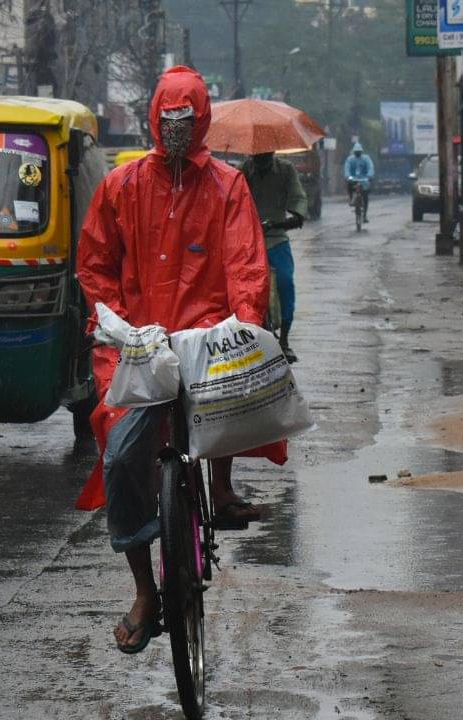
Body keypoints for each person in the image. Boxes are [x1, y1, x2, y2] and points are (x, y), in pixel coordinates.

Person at [76, 66, 284, 655]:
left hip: (207, 347)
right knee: (121, 457)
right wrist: (114, 321)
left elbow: (246, 262)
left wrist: (242, 323)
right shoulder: (121, 187)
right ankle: (144, 589)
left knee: (234, 411)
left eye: (185, 121)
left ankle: (221, 489)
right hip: (139, 352)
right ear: (153, 121)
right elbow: (94, 264)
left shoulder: (227, 187)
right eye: (167, 121)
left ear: (200, 123)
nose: (175, 131)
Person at [241, 152, 306, 363]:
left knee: (286, 283)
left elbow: (298, 200)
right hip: (247, 241)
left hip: (276, 238)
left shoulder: (286, 170)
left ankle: (284, 340)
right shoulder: (242, 172)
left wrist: (294, 217)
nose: (261, 159)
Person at [343, 142, 374, 223]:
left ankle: (365, 215)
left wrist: (369, 175)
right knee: (349, 185)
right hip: (353, 179)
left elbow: (370, 167)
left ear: (361, 152)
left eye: (359, 152)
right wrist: (348, 176)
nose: (357, 153)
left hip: (364, 179)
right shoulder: (350, 159)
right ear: (354, 152)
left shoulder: (366, 158)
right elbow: (347, 168)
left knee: (366, 196)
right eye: (356, 152)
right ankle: (351, 199)